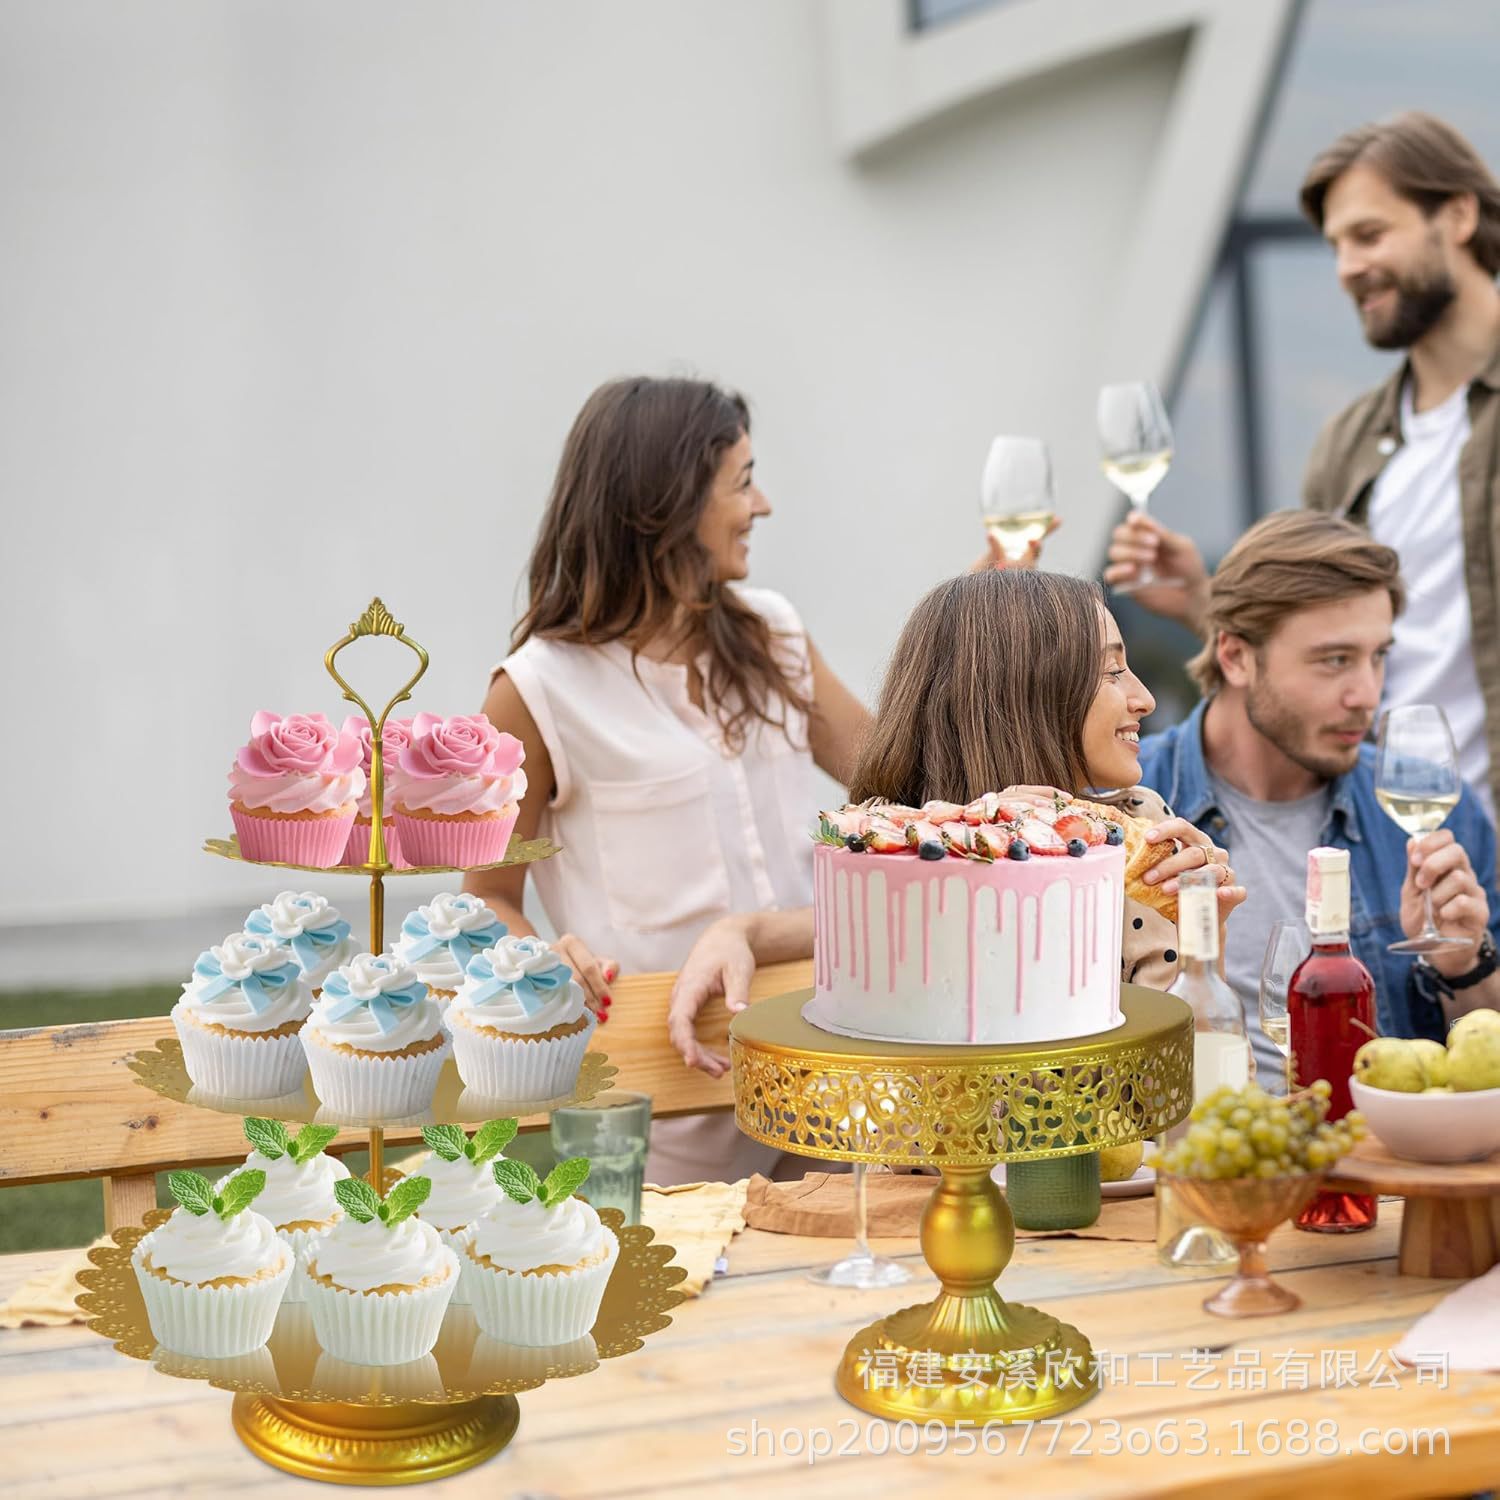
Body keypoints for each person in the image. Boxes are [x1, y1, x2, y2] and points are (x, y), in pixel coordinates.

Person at [465, 376, 871, 1185]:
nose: (762, 507)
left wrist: (968, 638)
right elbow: (485, 896)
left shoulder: (777, 636)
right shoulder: (536, 689)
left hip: (829, 1095)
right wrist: (545, 959)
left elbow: (899, 781)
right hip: (661, 1133)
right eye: (743, 482)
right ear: (668, 504)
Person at [669, 569, 1245, 1074]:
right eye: (1110, 671)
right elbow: (920, 1115)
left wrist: (1204, 942)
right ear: (1026, 689)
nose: (1143, 698)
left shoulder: (1139, 829)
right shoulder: (894, 849)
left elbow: (1181, 1092)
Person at [1107, 111, 1500, 819]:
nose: (1348, 267)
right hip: (1399, 835)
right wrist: (1208, 601)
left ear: (1460, 215)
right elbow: (1313, 649)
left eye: (1370, 234)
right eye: (1337, 245)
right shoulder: (1348, 442)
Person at [1132, 511, 1500, 1087]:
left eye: (1378, 656)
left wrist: (1466, 963)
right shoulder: (1127, 808)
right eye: (1335, 660)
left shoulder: (1437, 813)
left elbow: (1484, 1062)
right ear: (1234, 656)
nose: (1367, 694)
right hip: (1194, 1165)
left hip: (1381, 1165)